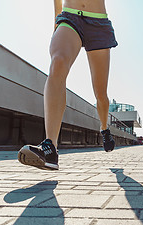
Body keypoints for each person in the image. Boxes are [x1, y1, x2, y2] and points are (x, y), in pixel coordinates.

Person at [18, 0, 117, 170]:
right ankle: (50, 148)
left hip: (98, 23)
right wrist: (57, 24)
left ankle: (104, 129)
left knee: (101, 94)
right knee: (58, 62)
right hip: (70, 18)